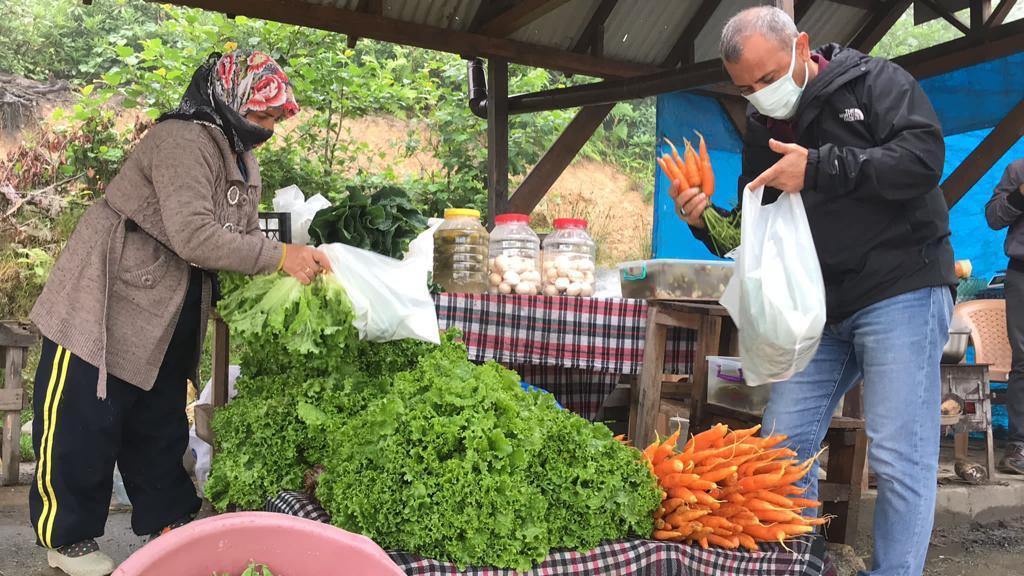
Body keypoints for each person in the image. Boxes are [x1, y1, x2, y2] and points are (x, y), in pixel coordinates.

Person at [672, 7, 954, 575]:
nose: (760, 95)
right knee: (778, 447)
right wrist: (705, 221)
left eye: (769, 79)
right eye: (747, 88)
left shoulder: (876, 83)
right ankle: (796, 564)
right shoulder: (762, 125)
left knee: (899, 454)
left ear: (802, 47)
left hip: (901, 286)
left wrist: (821, 168)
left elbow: (922, 162)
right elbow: (759, 232)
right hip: (820, 308)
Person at [27, 50, 331, 576]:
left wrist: (280, 269)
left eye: (274, 119)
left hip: (172, 297)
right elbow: (194, 233)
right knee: (84, 414)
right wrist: (280, 258)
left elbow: (237, 233)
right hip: (106, 292)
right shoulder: (183, 140)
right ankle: (67, 535)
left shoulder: (239, 153)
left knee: (160, 413)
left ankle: (168, 518)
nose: (267, 128)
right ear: (228, 99)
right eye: (260, 116)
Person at [984, 158, 1024, 475]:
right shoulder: (1018, 169)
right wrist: (1020, 193)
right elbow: (994, 218)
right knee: (1023, 360)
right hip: (1022, 274)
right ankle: (1018, 446)